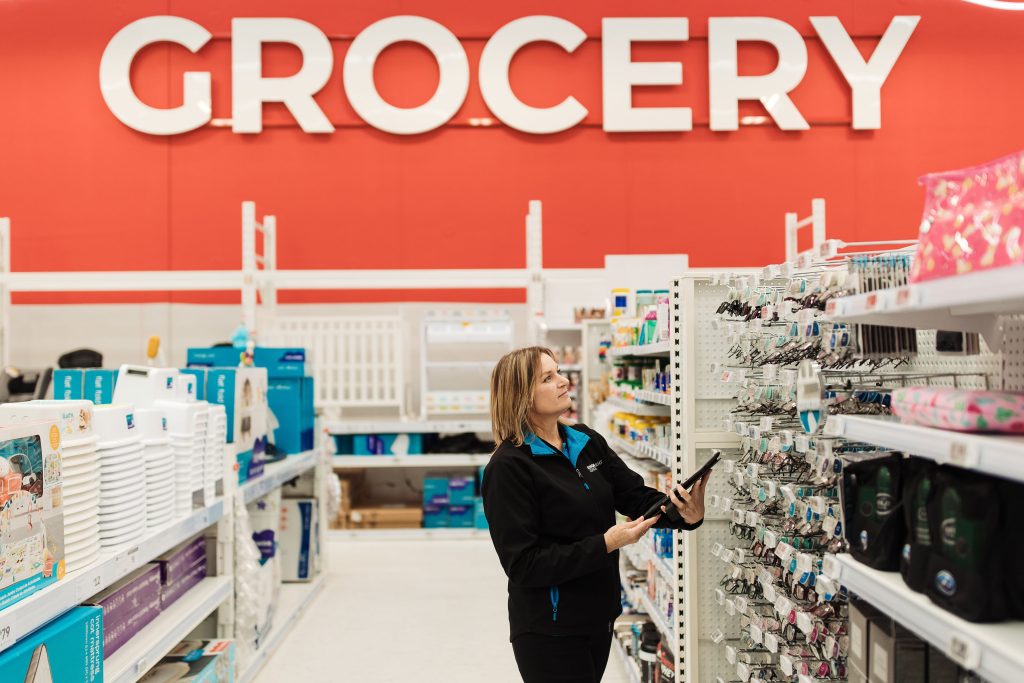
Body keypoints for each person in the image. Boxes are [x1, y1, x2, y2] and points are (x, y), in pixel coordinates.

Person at [482, 347, 710, 683]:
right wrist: (606, 542)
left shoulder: (585, 440)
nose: (563, 381)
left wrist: (685, 513)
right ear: (521, 396)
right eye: (548, 378)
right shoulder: (509, 467)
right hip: (550, 629)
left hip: (600, 616)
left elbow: (635, 497)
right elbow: (524, 565)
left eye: (559, 372)